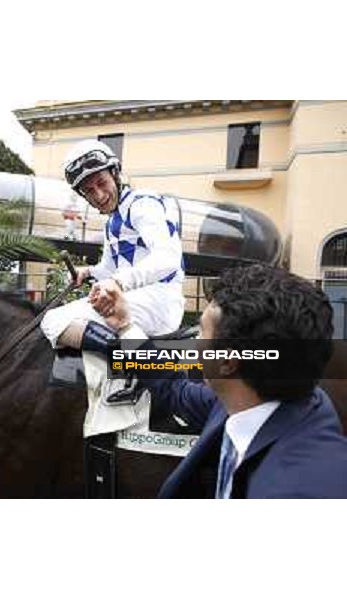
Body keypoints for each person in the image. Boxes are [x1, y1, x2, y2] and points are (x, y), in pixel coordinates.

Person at [97, 263, 347, 498]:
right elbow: (172, 387)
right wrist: (125, 325)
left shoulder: (297, 491)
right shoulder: (261, 402)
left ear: (227, 362)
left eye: (202, 332)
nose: (195, 343)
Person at [41, 139, 184, 356]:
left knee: (53, 320)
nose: (99, 195)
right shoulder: (113, 220)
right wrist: (88, 272)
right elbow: (109, 269)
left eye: (102, 183)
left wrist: (117, 282)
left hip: (159, 301)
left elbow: (168, 257)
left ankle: (133, 361)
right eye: (89, 190)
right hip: (139, 300)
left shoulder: (142, 203)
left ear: (115, 174)